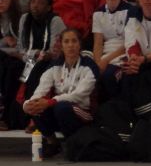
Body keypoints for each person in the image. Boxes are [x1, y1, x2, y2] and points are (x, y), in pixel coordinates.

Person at [22, 28, 99, 157]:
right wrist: (28, 104)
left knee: (61, 107)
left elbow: (78, 95)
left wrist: (51, 102)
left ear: (80, 44)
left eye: (74, 41)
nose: (70, 45)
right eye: (66, 41)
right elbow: (41, 89)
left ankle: (72, 143)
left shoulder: (89, 66)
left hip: (84, 112)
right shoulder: (54, 66)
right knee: (37, 107)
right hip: (60, 108)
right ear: (62, 46)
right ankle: (52, 143)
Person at [17, 0, 66, 100]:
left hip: (49, 62)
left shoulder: (55, 21)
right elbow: (21, 47)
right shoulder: (25, 18)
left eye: (41, 3)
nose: (35, 5)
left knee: (37, 68)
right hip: (29, 59)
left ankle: (31, 104)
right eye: (33, 2)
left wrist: (34, 55)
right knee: (12, 66)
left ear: (48, 7)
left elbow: (53, 54)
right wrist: (34, 54)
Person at [92, 0, 132, 100]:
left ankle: (117, 107)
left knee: (109, 75)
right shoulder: (98, 13)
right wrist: (98, 63)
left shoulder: (131, 10)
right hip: (105, 54)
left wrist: (106, 61)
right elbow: (98, 42)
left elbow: (129, 42)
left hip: (124, 52)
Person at [0, 0, 23, 129]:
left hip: (20, 59)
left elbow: (22, 47)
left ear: (12, 0)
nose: (0, 1)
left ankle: (7, 117)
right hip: (6, 57)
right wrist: (4, 41)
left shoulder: (20, 19)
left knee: (12, 68)